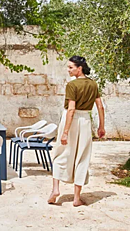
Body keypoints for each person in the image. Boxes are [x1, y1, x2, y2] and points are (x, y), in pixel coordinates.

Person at [47, 56, 106, 206]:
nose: (68, 70)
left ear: (79, 68)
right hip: (86, 121)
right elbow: (100, 106)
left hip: (71, 121)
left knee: (60, 154)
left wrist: (65, 132)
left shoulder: (72, 85)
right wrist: (101, 126)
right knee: (82, 157)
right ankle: (76, 198)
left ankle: (55, 189)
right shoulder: (93, 85)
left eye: (71, 67)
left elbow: (71, 109)